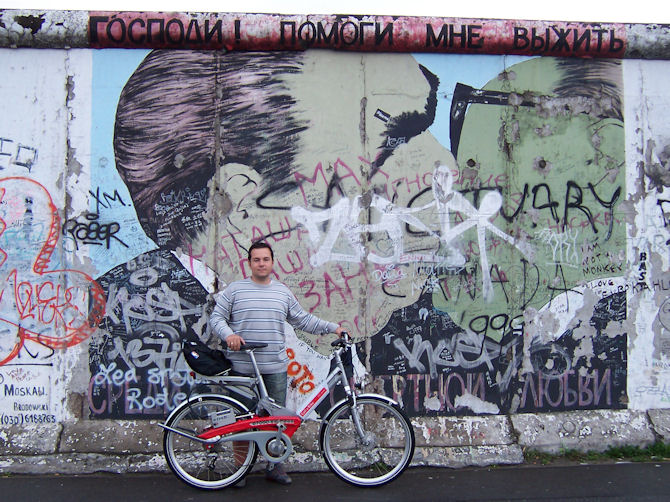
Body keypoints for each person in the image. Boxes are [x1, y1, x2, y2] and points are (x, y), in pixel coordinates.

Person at [209, 241, 344, 486]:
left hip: (275, 368)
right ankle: (239, 470)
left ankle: (275, 465)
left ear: (272, 262)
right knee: (241, 421)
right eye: (256, 259)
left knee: (276, 421)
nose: (261, 263)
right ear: (249, 263)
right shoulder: (235, 290)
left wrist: (332, 327)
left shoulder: (282, 292)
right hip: (243, 368)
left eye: (265, 259)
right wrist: (228, 335)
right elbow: (216, 317)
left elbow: (303, 320)